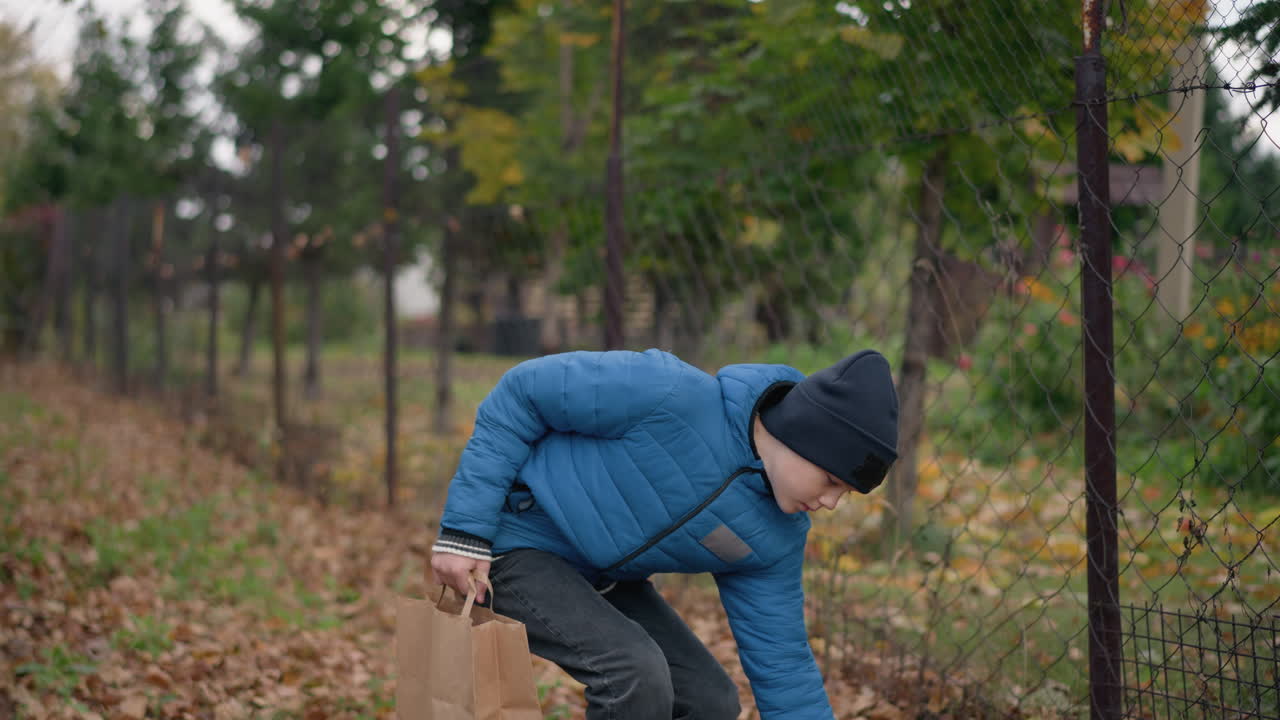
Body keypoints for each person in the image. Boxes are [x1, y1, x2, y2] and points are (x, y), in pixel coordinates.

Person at [429, 348, 899, 720]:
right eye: (833, 481)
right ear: (806, 437)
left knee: (709, 701)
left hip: (599, 576)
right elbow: (522, 391)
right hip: (512, 546)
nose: (832, 502)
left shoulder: (775, 536)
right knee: (634, 672)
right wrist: (465, 531)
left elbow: (784, 667)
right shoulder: (669, 394)